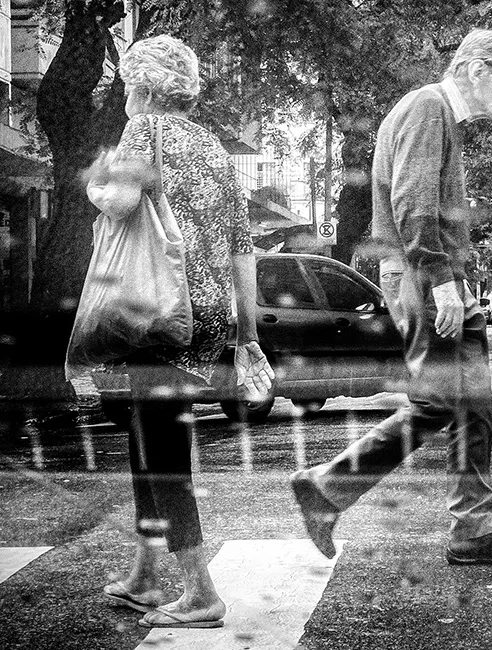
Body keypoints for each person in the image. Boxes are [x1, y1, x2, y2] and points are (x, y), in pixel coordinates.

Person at [290, 29, 492, 566]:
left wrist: (453, 279)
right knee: (438, 403)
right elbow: (413, 202)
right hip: (421, 276)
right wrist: (441, 279)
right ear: (478, 68)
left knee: (475, 406)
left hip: (437, 276)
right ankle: (328, 486)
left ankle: (473, 528)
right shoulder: (427, 108)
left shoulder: (439, 115)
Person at [86, 36, 275, 629]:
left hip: (159, 310)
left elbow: (119, 202)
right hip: (209, 315)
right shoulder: (214, 149)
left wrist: (95, 183)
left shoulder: (144, 129)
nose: (124, 96)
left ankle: (200, 592)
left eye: (126, 86)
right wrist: (247, 334)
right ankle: (145, 574)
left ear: (143, 88)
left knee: (162, 448)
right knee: (148, 437)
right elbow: (242, 248)